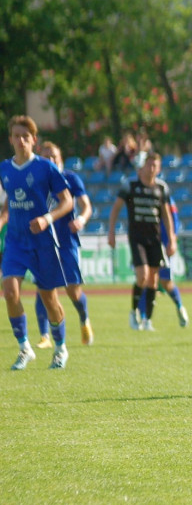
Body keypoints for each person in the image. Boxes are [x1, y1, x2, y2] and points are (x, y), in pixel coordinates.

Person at [1, 116, 75, 370]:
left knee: (49, 299)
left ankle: (60, 347)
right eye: (16, 136)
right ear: (10, 139)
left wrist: (47, 218)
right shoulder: (4, 170)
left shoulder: (46, 168)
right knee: (10, 292)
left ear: (34, 140)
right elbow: (7, 204)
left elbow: (67, 202)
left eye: (25, 136)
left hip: (42, 242)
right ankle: (24, 348)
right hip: (15, 242)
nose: (21, 140)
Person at [33, 141, 94, 349]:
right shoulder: (35, 180)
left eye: (54, 158)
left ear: (60, 160)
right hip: (43, 241)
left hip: (67, 241)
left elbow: (86, 206)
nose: (50, 161)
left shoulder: (70, 178)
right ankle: (44, 336)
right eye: (46, 157)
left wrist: (82, 220)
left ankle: (84, 318)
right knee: (43, 287)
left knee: (72, 291)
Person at [108, 151, 177, 331]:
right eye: (149, 164)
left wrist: (172, 239)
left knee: (153, 281)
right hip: (137, 238)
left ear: (159, 168)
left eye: (155, 165)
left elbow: (166, 214)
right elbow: (116, 209)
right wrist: (111, 232)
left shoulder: (161, 188)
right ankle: (134, 313)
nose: (152, 168)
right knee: (142, 276)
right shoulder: (130, 185)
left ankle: (147, 320)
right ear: (144, 165)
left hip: (154, 240)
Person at [155, 194, 189, 327]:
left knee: (165, 281)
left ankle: (180, 306)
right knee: (145, 277)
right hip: (149, 242)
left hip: (164, 243)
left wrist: (171, 240)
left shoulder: (166, 198)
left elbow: (174, 220)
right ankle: (142, 317)